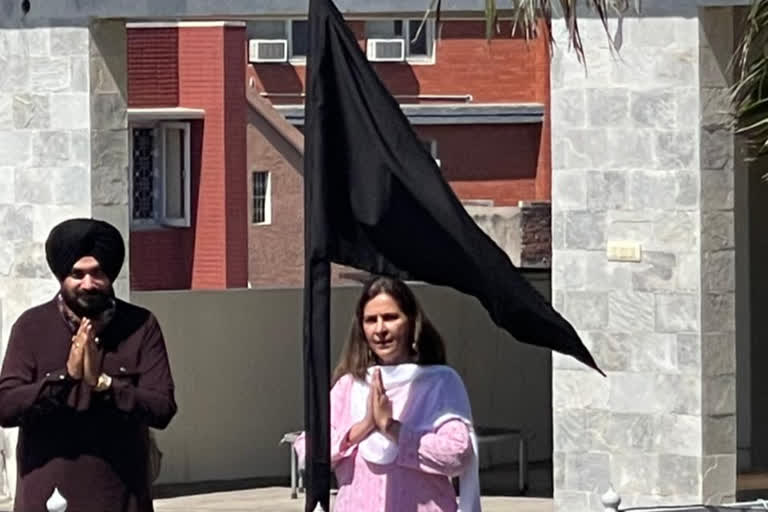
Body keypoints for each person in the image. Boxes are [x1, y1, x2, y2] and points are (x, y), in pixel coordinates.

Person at [0, 218, 177, 512]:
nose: (88, 284)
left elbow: (162, 409)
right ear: (61, 277)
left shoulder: (140, 326)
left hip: (121, 501)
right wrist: (64, 377)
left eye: (97, 273)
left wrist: (103, 384)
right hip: (47, 502)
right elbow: (6, 408)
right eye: (77, 274)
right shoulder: (32, 327)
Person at [298, 276, 481, 511]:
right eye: (371, 320)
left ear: (411, 321)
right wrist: (363, 427)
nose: (380, 329)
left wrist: (392, 428)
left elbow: (457, 455)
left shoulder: (438, 382)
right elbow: (308, 450)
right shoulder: (349, 385)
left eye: (391, 318)